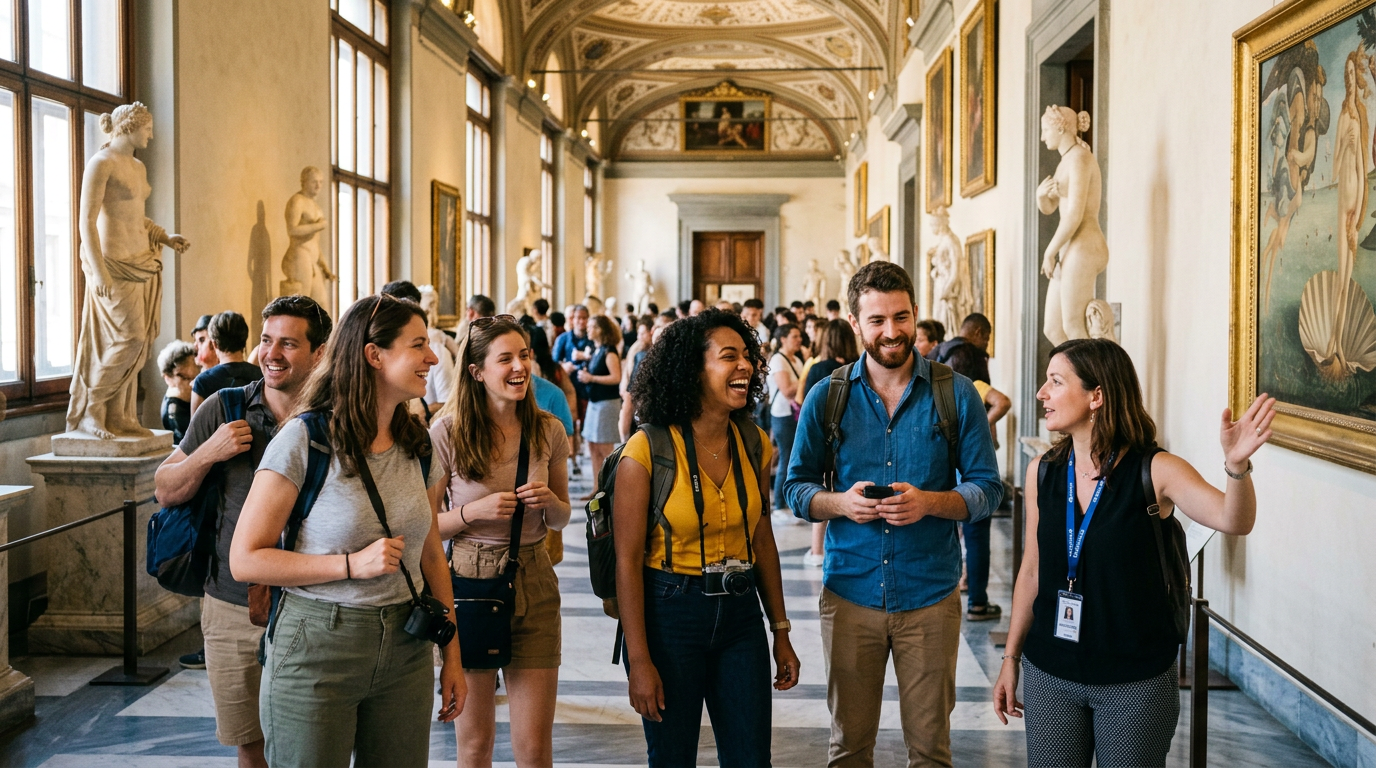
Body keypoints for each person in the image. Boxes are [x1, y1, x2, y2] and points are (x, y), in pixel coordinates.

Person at [993, 339, 1276, 768]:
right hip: (1051, 671)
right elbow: (1031, 571)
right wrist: (1011, 658)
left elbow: (1234, 519)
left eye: (1055, 382)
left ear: (1097, 396)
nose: (1041, 394)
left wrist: (1236, 466)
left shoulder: (1155, 469)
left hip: (1134, 682)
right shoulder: (1043, 472)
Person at [230, 294, 464, 767]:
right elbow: (246, 558)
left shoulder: (417, 442)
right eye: (418, 345)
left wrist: (452, 653)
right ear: (374, 355)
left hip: (407, 645)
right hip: (318, 643)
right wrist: (350, 566)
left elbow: (431, 553)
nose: (433, 357)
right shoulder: (305, 440)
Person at [784, 261, 1002, 767]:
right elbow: (795, 489)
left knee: (930, 751)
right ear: (856, 324)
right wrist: (842, 503)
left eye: (900, 317)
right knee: (849, 749)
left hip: (929, 594)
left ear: (915, 314)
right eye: (877, 320)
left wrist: (930, 502)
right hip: (850, 592)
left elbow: (987, 491)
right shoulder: (828, 396)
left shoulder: (956, 393)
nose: (891, 331)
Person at [615, 309, 800, 767]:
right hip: (671, 612)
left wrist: (780, 631)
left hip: (739, 615)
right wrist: (639, 661)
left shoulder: (755, 443)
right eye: (728, 356)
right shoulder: (647, 450)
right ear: (693, 370)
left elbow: (762, 540)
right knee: (673, 758)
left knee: (751, 758)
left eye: (747, 357)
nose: (745, 367)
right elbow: (626, 562)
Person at [155, 296, 333, 768]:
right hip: (233, 605)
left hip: (318, 607)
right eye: (267, 340)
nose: (272, 353)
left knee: (316, 744)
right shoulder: (223, 407)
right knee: (249, 743)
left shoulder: (340, 421)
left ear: (319, 353)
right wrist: (208, 452)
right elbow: (166, 488)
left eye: (289, 344)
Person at [430, 317, 571, 768]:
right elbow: (425, 526)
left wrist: (549, 501)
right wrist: (473, 512)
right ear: (476, 371)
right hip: (469, 580)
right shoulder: (447, 432)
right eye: (505, 358)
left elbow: (563, 516)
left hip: (533, 576)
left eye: (524, 355)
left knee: (534, 748)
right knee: (474, 745)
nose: (519, 367)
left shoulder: (548, 429)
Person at [796, 320, 860, 569]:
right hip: (850, 439)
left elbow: (804, 400)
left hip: (822, 437)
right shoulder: (855, 367)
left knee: (820, 489)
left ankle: (816, 550)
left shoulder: (818, 366)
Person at [578, 315, 623, 485]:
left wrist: (592, 378)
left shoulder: (609, 351)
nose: (587, 329)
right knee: (592, 445)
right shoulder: (596, 349)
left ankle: (611, 488)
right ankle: (597, 487)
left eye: (592, 327)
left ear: (601, 330)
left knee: (604, 447)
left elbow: (616, 377)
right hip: (595, 402)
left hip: (607, 404)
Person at [191, 311, 262, 414]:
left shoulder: (203, 382)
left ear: (214, 344)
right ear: (244, 340)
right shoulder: (262, 376)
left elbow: (195, 428)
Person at [554, 304, 595, 475]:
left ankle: (583, 452)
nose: (581, 322)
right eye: (577, 318)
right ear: (572, 320)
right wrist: (565, 366)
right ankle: (572, 459)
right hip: (567, 387)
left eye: (584, 318)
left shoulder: (592, 339)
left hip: (587, 388)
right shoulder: (563, 339)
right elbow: (554, 362)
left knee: (584, 423)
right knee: (569, 424)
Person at [767, 323, 803, 515]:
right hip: (782, 415)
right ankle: (779, 502)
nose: (799, 340)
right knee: (786, 457)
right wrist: (805, 379)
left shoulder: (796, 359)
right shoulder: (778, 361)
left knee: (794, 458)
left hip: (794, 413)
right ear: (783, 339)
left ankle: (788, 499)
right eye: (794, 336)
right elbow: (788, 389)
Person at [525, 320, 576, 437]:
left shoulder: (552, 371)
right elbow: (570, 391)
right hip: (557, 421)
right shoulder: (554, 367)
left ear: (531, 351)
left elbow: (569, 391)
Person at [929, 313, 992, 386]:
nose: (986, 344)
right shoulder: (973, 355)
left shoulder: (939, 348)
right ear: (978, 332)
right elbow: (980, 391)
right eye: (986, 339)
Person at [619, 315, 655, 441]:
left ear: (651, 332)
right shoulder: (638, 350)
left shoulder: (649, 352)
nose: (639, 337)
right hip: (634, 395)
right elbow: (629, 372)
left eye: (642, 333)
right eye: (638, 333)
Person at [157, 340, 198, 444]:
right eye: (186, 378)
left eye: (195, 377)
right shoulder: (174, 410)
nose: (192, 384)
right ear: (168, 378)